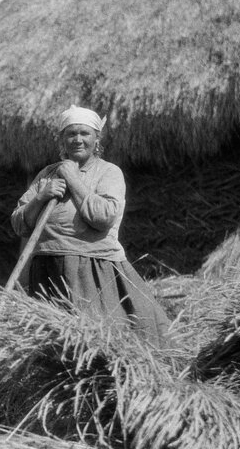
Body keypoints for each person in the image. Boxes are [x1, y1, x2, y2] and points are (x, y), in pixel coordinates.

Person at [10, 105, 171, 345]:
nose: (77, 139)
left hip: (92, 266)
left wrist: (72, 178)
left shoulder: (108, 172)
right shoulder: (46, 174)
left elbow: (103, 216)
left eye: (84, 133)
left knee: (100, 339)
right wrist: (40, 197)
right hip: (47, 267)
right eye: (71, 134)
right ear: (62, 140)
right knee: (53, 342)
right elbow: (19, 224)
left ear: (97, 139)